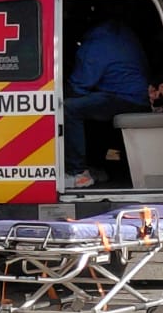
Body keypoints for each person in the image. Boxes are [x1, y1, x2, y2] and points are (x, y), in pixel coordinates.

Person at [63, 17, 151, 189]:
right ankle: (97, 168)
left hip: (125, 98)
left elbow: (79, 86)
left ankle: (78, 173)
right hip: (139, 96)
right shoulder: (123, 32)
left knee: (69, 108)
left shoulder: (93, 45)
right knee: (91, 107)